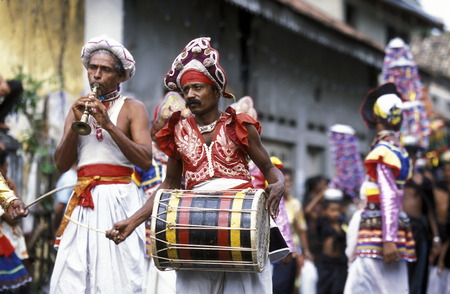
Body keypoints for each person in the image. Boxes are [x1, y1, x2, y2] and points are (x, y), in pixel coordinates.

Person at [106, 37, 285, 294]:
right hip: (194, 224)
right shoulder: (177, 130)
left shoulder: (239, 125)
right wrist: (133, 221)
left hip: (242, 223)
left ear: (216, 90)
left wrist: (279, 184)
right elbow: (168, 186)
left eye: (198, 88)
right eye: (186, 89)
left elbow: (270, 170)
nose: (190, 94)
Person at [50, 35, 152, 293]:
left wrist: (108, 125)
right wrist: (75, 124)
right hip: (84, 199)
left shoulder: (132, 108)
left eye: (105, 69)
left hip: (120, 200)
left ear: (119, 76)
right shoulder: (77, 108)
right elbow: (61, 165)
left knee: (119, 279)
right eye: (92, 68)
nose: (96, 75)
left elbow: (145, 160)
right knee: (72, 277)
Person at [344, 83, 416, 293]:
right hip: (386, 225)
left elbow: (389, 195)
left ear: (376, 117)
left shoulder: (383, 150)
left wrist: (389, 239)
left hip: (378, 231)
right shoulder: (397, 149)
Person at [316, 190, 348, 294]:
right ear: (325, 211)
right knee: (324, 288)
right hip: (326, 263)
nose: (335, 213)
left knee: (338, 289)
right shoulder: (322, 223)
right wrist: (320, 196)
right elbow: (308, 211)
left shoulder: (342, 225)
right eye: (332, 210)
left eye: (337, 211)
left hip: (340, 263)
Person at [53, 163, 78, 233]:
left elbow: (60, 207)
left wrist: (54, 228)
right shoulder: (74, 176)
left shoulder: (68, 177)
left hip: (65, 226)